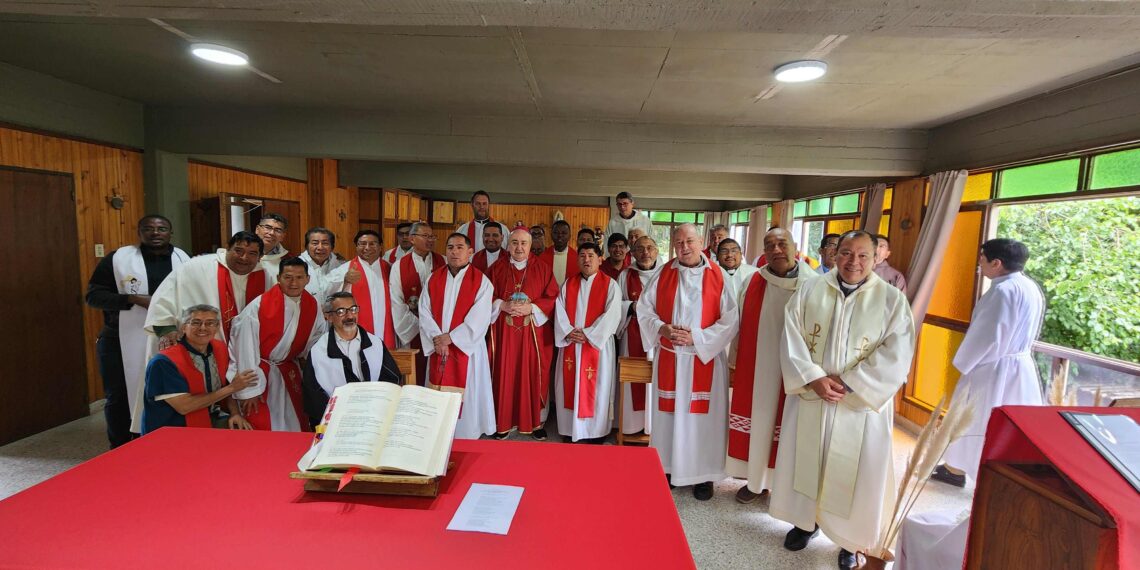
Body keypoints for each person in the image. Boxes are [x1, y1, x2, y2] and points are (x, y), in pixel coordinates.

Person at [772, 230, 916, 569]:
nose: (854, 261)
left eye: (862, 255)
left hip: (858, 406)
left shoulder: (892, 299)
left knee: (858, 473)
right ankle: (805, 523)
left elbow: (898, 353)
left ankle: (850, 541)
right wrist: (814, 378)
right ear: (835, 255)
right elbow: (790, 336)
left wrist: (850, 383)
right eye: (846, 253)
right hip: (813, 396)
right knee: (810, 462)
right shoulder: (810, 289)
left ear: (877, 257)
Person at [637, 223, 739, 500]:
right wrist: (662, 328)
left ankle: (703, 475)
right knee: (668, 417)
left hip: (703, 359)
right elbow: (643, 308)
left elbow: (731, 320)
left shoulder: (718, 275)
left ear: (702, 241)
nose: (684, 247)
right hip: (670, 358)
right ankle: (669, 468)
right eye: (679, 242)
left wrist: (697, 338)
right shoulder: (663, 272)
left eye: (690, 241)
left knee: (702, 421)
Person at [933, 238, 1045, 487]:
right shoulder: (1029, 286)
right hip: (1019, 366)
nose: (979, 264)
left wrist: (964, 362)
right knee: (1004, 423)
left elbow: (989, 336)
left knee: (977, 419)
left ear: (996, 263)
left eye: (982, 259)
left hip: (993, 368)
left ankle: (963, 469)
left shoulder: (1003, 291)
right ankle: (961, 467)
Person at [727, 228, 817, 504]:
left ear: (795, 246)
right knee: (760, 420)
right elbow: (738, 324)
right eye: (770, 245)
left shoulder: (813, 284)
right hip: (757, 366)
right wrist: (734, 361)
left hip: (797, 372)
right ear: (763, 251)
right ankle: (755, 482)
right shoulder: (754, 281)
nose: (776, 249)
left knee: (789, 427)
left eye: (782, 243)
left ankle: (784, 487)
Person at [85, 215, 190, 447]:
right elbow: (93, 296)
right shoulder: (118, 259)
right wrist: (134, 299)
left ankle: (165, 443)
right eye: (148, 228)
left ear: (170, 233)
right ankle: (121, 447)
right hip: (119, 340)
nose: (155, 233)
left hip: (169, 336)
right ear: (139, 232)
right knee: (120, 397)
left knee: (168, 392)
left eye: (162, 228)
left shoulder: (184, 259)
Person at [227, 258, 326, 432]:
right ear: (278, 277)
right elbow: (244, 348)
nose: (293, 283)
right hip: (260, 372)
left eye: (299, 277)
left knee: (294, 424)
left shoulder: (312, 305)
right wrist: (249, 391)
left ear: (308, 279)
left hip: (289, 370)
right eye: (288, 277)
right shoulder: (259, 306)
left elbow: (316, 338)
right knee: (262, 425)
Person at [418, 233, 496, 439]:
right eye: (450, 247)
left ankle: (466, 433)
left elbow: (480, 317)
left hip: (466, 350)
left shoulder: (481, 281)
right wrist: (437, 337)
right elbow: (424, 311)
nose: (454, 251)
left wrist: (451, 338)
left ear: (470, 252)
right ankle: (437, 433)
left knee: (469, 396)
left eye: (460, 247)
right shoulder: (434, 278)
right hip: (439, 348)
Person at [488, 227, 559, 440]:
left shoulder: (543, 269)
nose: (519, 247)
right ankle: (503, 422)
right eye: (515, 243)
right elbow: (483, 295)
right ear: (508, 245)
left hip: (533, 334)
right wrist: (501, 305)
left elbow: (554, 297)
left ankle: (534, 423)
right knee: (505, 372)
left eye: (523, 243)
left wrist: (533, 308)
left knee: (532, 373)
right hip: (504, 333)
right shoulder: (496, 268)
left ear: (530, 246)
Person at [140, 305, 257, 434]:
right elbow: (184, 407)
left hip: (210, 419)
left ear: (217, 327)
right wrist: (233, 388)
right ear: (184, 327)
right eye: (196, 322)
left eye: (210, 323)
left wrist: (235, 413)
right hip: (172, 431)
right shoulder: (163, 362)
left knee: (250, 436)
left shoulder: (220, 349)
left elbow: (227, 383)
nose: (203, 328)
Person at [146, 231, 269, 347]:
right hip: (194, 345)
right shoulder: (196, 267)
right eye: (238, 251)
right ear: (227, 249)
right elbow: (164, 297)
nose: (244, 258)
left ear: (260, 257)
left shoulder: (265, 276)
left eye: (252, 253)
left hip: (244, 349)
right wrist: (166, 329)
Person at [301, 292, 403, 427]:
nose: (350, 316)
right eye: (341, 311)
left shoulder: (375, 344)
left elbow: (391, 381)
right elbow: (313, 399)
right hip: (338, 425)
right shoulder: (318, 352)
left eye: (353, 309)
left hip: (374, 420)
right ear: (329, 316)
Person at [554, 242, 622, 443]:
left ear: (600, 259)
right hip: (572, 345)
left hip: (596, 347)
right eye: (582, 255)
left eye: (591, 255)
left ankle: (594, 432)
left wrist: (590, 334)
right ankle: (569, 429)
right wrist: (567, 331)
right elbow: (559, 309)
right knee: (569, 386)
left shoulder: (610, 284)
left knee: (598, 388)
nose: (586, 259)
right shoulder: (568, 283)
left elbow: (613, 315)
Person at [616, 236, 661, 435]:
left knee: (657, 377)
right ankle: (632, 425)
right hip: (632, 331)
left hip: (658, 336)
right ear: (632, 253)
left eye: (650, 248)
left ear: (657, 251)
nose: (645, 253)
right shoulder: (625, 275)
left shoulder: (666, 274)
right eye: (640, 249)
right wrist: (630, 307)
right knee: (632, 377)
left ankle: (656, 426)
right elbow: (616, 305)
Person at [390, 222, 445, 383]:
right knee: (416, 377)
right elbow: (397, 302)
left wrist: (433, 328)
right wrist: (421, 325)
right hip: (413, 329)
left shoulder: (443, 261)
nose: (431, 240)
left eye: (432, 236)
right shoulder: (399, 266)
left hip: (438, 330)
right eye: (426, 236)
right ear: (412, 239)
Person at [326, 230, 397, 348]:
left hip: (387, 328)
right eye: (362, 244)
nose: (367, 248)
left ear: (380, 247)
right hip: (355, 329)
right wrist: (344, 280)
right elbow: (327, 295)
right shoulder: (344, 269)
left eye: (372, 244)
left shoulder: (390, 269)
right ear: (356, 246)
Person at [297, 227, 343, 296]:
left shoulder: (341, 267)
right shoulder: (296, 265)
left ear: (332, 247)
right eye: (315, 243)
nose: (320, 248)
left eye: (325, 243)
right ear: (306, 246)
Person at [717, 238, 759, 302]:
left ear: (741, 255)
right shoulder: (711, 274)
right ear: (717, 256)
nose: (729, 255)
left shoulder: (755, 273)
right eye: (724, 251)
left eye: (734, 251)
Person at [539, 220, 579, 286]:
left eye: (564, 233)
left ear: (569, 236)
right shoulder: (543, 258)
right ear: (551, 234)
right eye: (556, 232)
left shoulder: (576, 258)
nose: (560, 235)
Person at [255, 213, 291, 280]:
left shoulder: (289, 259)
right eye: (268, 227)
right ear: (257, 229)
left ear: (283, 236)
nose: (272, 233)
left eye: (278, 230)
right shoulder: (244, 256)